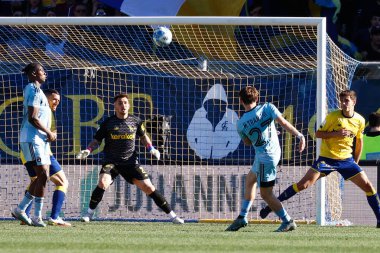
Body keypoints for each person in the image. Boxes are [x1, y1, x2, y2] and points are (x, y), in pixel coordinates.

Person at [259, 90, 380, 228]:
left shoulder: (360, 120)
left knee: (369, 187)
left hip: (347, 161)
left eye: (347, 100)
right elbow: (318, 133)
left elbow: (359, 142)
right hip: (327, 159)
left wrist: (356, 163)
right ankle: (270, 207)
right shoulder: (333, 117)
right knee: (303, 185)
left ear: (354, 102)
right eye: (342, 101)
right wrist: (336, 133)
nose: (344, 104)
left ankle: (379, 220)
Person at [76, 93, 184, 224]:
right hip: (112, 161)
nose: (123, 105)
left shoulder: (136, 121)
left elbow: (143, 137)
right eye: (120, 103)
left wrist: (151, 149)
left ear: (129, 105)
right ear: (114, 106)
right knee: (103, 182)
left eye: (125, 103)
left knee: (149, 188)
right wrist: (88, 150)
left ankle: (173, 216)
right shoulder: (108, 123)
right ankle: (89, 214)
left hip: (131, 162)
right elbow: (96, 140)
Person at [225, 86, 305, 232]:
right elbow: (284, 124)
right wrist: (300, 136)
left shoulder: (241, 123)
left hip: (265, 158)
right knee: (250, 180)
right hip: (272, 153)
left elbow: (248, 142)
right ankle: (242, 217)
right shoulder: (268, 107)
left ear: (241, 101)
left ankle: (288, 221)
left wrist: (259, 136)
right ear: (257, 98)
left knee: (266, 194)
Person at [12, 63, 57, 227]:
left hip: (40, 140)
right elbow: (32, 117)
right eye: (41, 70)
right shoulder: (32, 88)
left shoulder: (39, 92)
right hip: (32, 138)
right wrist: (49, 132)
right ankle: (36, 216)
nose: (44, 73)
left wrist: (48, 133)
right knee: (43, 174)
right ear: (33, 73)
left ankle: (22, 209)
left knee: (41, 176)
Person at [21, 89, 71, 227]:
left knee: (36, 181)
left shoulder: (47, 113)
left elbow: (51, 134)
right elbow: (40, 129)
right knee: (62, 182)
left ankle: (23, 213)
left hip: (31, 149)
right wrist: (50, 134)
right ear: (46, 98)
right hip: (40, 151)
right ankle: (54, 217)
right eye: (54, 99)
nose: (57, 102)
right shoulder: (42, 110)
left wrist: (51, 134)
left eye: (59, 100)